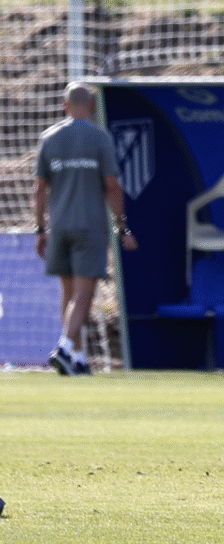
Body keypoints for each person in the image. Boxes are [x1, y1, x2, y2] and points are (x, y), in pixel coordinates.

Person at [33, 81, 138, 376]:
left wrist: (40, 227)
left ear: (65, 105)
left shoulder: (49, 138)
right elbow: (113, 185)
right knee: (84, 292)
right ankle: (65, 346)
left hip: (59, 226)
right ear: (91, 105)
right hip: (90, 225)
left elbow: (39, 189)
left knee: (67, 292)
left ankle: (78, 358)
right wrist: (122, 225)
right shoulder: (99, 137)